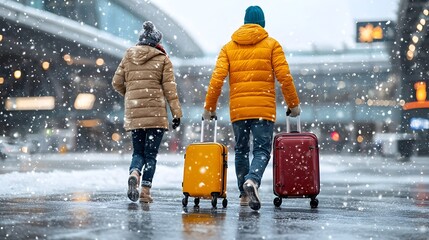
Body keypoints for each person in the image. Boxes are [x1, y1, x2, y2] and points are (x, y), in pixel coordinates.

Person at [203, 6, 301, 211]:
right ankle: (253, 180)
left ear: (245, 22)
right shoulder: (272, 45)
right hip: (263, 110)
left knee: (240, 150)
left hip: (239, 111)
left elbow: (216, 79)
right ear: (262, 23)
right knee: (262, 150)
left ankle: (243, 194)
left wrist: (209, 107)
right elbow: (284, 77)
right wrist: (293, 104)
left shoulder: (228, 48)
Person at [112, 21, 183, 203]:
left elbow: (116, 82)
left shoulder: (129, 55)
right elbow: (170, 91)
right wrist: (176, 114)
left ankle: (135, 172)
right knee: (151, 155)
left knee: (138, 153)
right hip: (156, 116)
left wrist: (130, 96)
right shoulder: (163, 59)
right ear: (156, 41)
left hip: (135, 114)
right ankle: (145, 192)